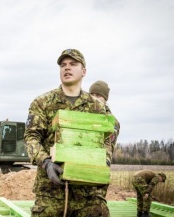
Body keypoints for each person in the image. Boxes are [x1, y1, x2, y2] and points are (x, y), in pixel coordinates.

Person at [24, 49, 113, 217]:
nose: (67, 68)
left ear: (84, 71)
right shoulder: (42, 102)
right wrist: (46, 163)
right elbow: (31, 138)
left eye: (73, 64)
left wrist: (105, 160)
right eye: (63, 65)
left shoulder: (96, 108)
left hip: (87, 193)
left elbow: (106, 140)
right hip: (51, 192)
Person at [89, 80, 120, 167]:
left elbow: (108, 146)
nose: (94, 98)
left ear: (105, 99)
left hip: (99, 164)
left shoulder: (111, 121)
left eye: (98, 96)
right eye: (92, 95)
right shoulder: (84, 114)